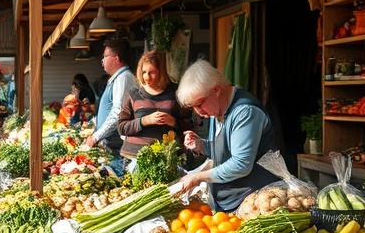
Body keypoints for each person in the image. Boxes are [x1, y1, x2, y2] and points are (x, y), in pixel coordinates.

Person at [176, 60, 278, 212]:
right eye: (193, 107)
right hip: (231, 202)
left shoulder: (245, 112)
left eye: (199, 104)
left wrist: (197, 177)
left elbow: (241, 164)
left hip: (254, 203)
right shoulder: (218, 110)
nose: (198, 112)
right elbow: (225, 150)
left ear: (216, 90)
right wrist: (202, 145)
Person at [117, 50, 186, 159]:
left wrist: (173, 122)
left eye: (152, 72)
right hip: (134, 156)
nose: (147, 77)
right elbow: (121, 127)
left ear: (161, 71)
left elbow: (189, 125)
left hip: (166, 158)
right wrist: (144, 121)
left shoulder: (176, 92)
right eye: (144, 72)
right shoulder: (134, 94)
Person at [86, 38, 138, 175]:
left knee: (117, 178)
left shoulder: (124, 78)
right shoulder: (117, 78)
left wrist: (96, 137)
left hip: (117, 146)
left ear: (116, 58)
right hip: (111, 144)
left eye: (105, 56)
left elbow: (117, 113)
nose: (102, 60)